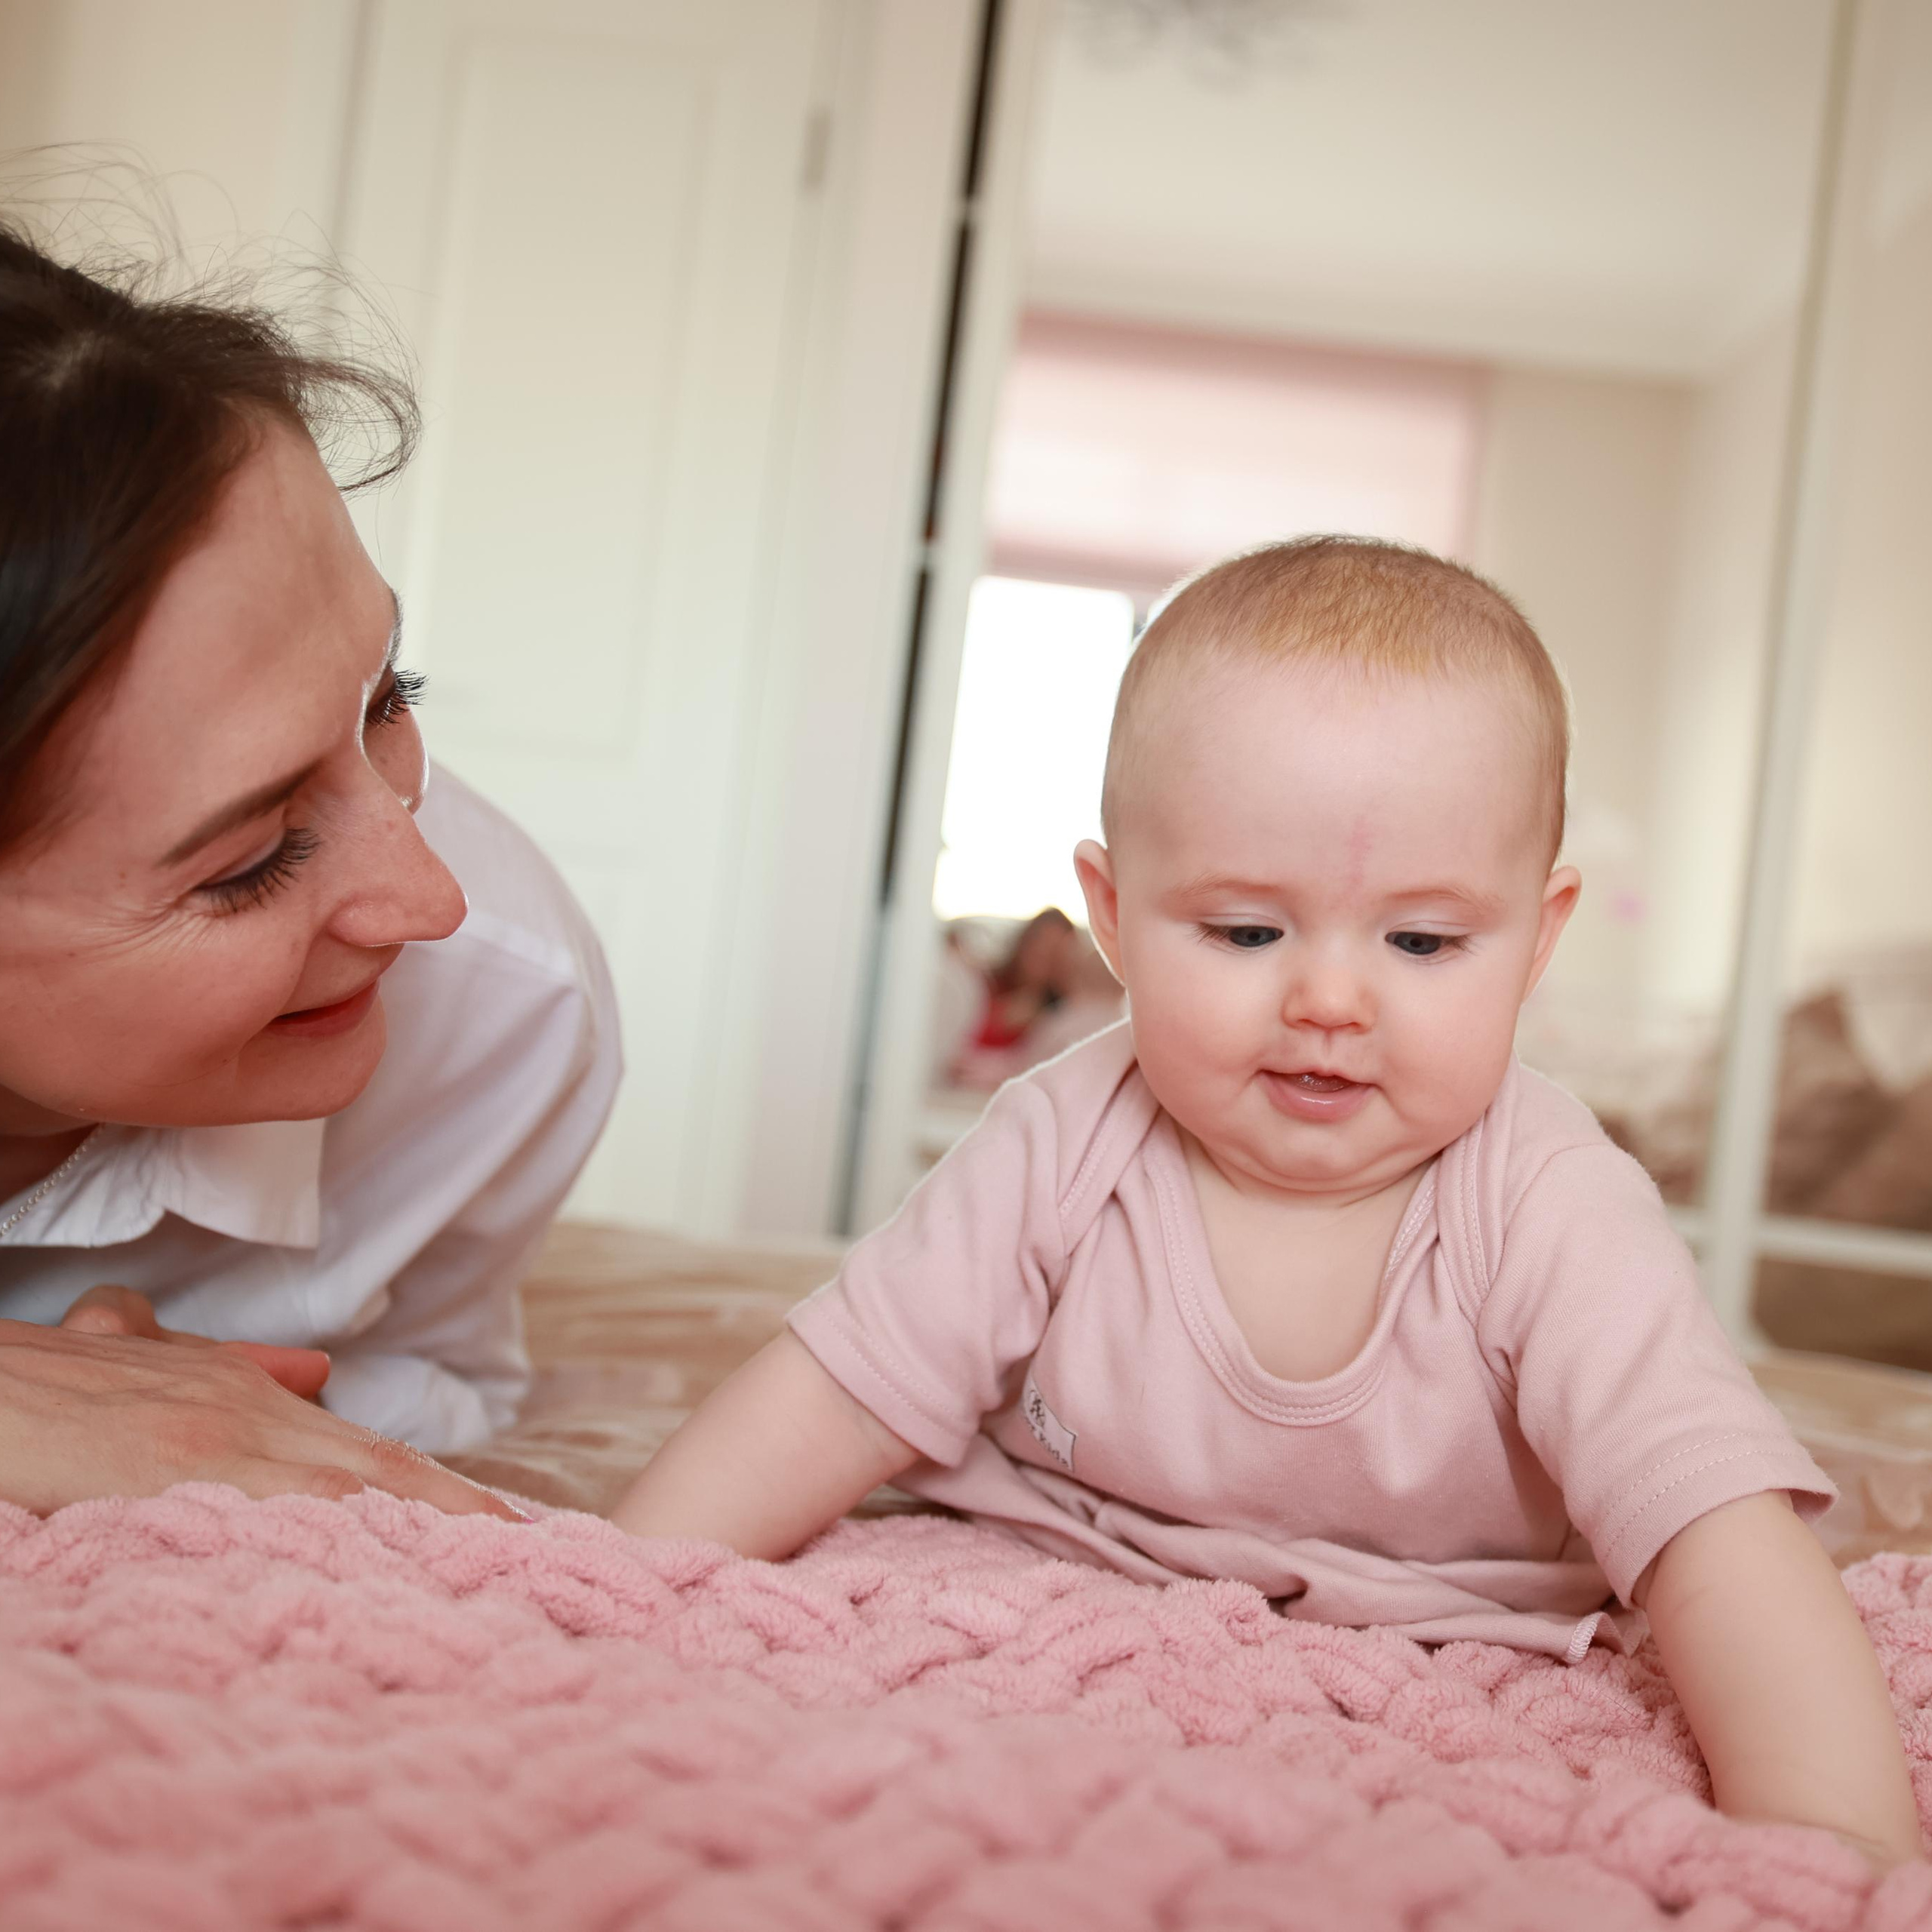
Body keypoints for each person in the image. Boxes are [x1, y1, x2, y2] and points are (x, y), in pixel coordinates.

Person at [614, 537, 1921, 1866]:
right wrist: (615, 1586)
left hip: (1451, 1628)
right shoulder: (1065, 1136)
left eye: (1422, 942)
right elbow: (841, 1387)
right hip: (1058, 1561)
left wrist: (1835, 1845)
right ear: (1114, 921)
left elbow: (1714, 1533)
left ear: (1538, 938)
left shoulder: (1551, 1203)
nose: (1330, 1003)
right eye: (1247, 933)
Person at [0, 212, 619, 1512]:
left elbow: (438, 1372)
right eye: (245, 864)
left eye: (390, 695)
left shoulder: (505, 1011)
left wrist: (236, 1395)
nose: (427, 902)